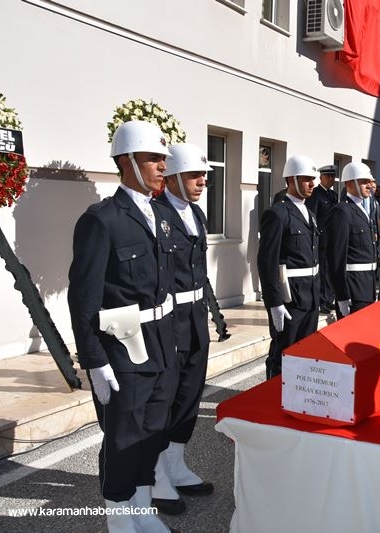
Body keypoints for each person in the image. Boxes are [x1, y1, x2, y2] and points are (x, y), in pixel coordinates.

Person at [67, 120, 178, 532]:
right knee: (123, 437)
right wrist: (94, 361)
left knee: (153, 432)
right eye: (153, 158)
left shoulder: (161, 214)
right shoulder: (102, 220)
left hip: (161, 344)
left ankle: (142, 509)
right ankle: (118, 518)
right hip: (123, 347)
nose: (162, 165)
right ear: (126, 161)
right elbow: (84, 298)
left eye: (163, 158)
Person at [151, 143, 215, 515]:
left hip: (194, 316)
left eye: (204, 175)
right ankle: (157, 473)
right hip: (169, 317)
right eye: (194, 175)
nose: (202, 182)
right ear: (172, 177)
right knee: (166, 396)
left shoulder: (196, 215)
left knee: (190, 392)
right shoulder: (156, 213)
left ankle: (176, 464)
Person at [256, 155, 320, 379]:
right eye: (306, 179)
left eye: (313, 179)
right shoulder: (277, 213)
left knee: (305, 354)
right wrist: (274, 303)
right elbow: (266, 261)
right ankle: (272, 402)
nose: (312, 184)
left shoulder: (309, 214)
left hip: (310, 297)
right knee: (283, 355)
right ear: (291, 180)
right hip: (289, 297)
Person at [326, 162, 378, 318]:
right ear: (349, 183)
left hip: (367, 287)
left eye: (370, 182)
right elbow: (336, 257)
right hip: (353, 289)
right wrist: (342, 295)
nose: (369, 185)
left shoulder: (363, 209)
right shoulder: (342, 211)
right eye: (364, 181)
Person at [306, 164, 339, 315]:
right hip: (321, 239)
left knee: (330, 269)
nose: (331, 179)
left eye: (333, 176)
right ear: (321, 178)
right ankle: (321, 301)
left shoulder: (333, 195)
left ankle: (328, 298)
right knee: (322, 270)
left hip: (332, 238)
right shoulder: (316, 194)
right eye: (328, 176)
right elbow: (312, 215)